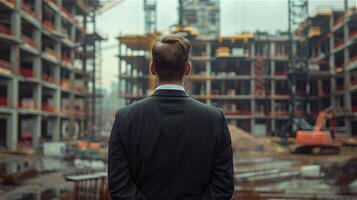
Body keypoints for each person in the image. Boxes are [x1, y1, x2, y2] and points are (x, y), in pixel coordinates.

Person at [108, 34, 234, 200]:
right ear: (187, 68)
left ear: (152, 68)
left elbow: (119, 186)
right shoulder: (215, 119)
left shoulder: (125, 118)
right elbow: (223, 186)